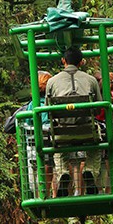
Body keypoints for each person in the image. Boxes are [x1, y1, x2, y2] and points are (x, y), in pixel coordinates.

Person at [46, 47, 102, 197]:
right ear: (82, 62)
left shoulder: (51, 82)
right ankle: (89, 171)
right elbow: (98, 108)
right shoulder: (91, 80)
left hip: (61, 134)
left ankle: (63, 173)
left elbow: (48, 111)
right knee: (96, 147)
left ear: (63, 60)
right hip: (87, 131)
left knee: (58, 149)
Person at [22, 71, 54, 197]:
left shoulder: (32, 105)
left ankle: (38, 194)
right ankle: (47, 191)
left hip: (34, 144)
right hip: (50, 143)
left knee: (35, 165)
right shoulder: (51, 104)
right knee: (49, 163)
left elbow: (26, 124)